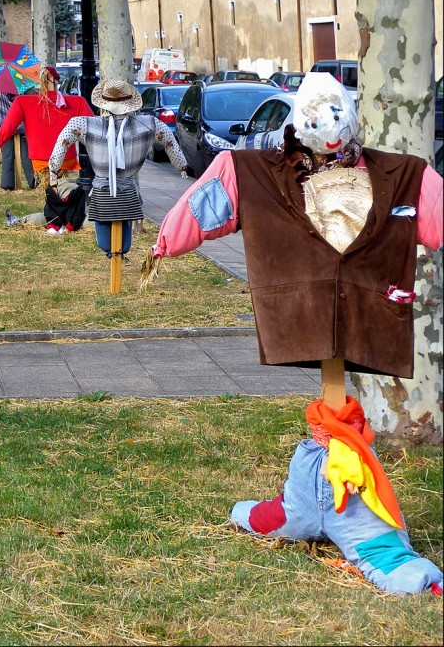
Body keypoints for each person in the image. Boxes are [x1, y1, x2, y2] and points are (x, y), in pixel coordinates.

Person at [146, 73, 444, 595]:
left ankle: (343, 516)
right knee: (329, 408)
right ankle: (308, 504)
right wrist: (165, 243)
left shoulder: (405, 176)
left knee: (338, 407)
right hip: (299, 309)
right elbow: (206, 202)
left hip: (371, 310)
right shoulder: (251, 172)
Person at [50, 79, 187, 252]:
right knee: (124, 245)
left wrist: (53, 172)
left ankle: (113, 256)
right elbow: (170, 143)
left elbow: (61, 143)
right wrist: (181, 166)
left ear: (103, 103)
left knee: (105, 243)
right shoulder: (150, 124)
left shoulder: (84, 124)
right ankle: (118, 255)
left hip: (102, 191)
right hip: (128, 191)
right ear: (130, 102)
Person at [0, 67, 93, 188]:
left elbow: (8, 124)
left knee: (50, 190)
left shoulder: (23, 101)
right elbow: (92, 125)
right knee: (61, 189)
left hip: (40, 157)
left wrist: (1, 140)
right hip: (65, 157)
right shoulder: (78, 102)